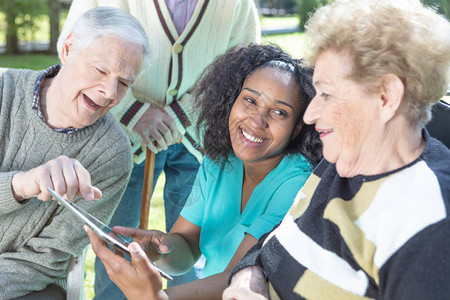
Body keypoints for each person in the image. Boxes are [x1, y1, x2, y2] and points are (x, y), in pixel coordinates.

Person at [223, 0, 450, 299]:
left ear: (386, 97)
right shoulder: (340, 158)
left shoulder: (429, 228)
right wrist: (246, 281)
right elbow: (275, 242)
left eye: (326, 94)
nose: (309, 114)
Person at [85, 43, 323, 300]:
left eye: (279, 112)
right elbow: (186, 250)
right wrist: (160, 248)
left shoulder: (298, 182)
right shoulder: (219, 163)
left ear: (298, 127)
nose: (257, 120)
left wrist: (156, 297)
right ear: (232, 101)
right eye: (250, 100)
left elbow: (240, 276)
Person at [57, 0, 261, 292]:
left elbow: (244, 65)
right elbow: (73, 48)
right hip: (122, 138)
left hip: (200, 140)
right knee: (119, 252)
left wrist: (182, 116)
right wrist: (133, 113)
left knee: (194, 253)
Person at [0, 7, 149, 299]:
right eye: (101, 70)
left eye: (124, 83)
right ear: (68, 49)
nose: (109, 91)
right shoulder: (4, 90)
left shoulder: (112, 153)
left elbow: (45, 259)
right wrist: (21, 185)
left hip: (25, 286)